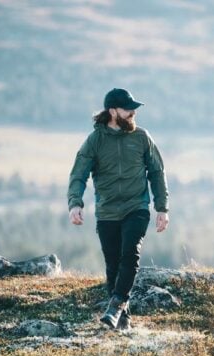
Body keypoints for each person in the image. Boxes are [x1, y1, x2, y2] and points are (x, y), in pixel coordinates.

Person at [68, 88, 169, 330]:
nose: (133, 112)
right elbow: (78, 174)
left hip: (137, 207)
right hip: (107, 211)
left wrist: (162, 208)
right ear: (113, 112)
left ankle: (114, 306)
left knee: (130, 255)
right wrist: (75, 203)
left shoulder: (142, 137)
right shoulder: (95, 141)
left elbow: (157, 172)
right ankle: (123, 319)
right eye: (128, 109)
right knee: (113, 264)